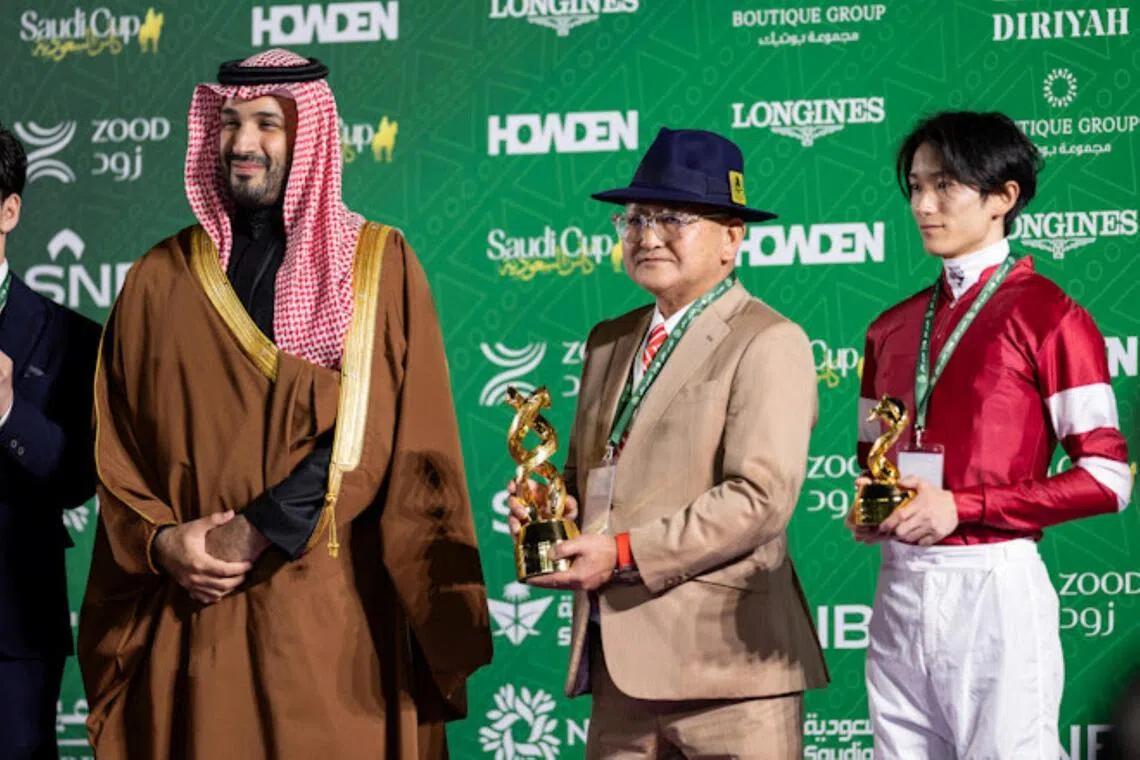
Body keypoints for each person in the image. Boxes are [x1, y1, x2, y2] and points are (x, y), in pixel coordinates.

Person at [77, 50, 491, 759]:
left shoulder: (377, 266)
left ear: (313, 138)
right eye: (231, 123)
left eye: (268, 123)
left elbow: (378, 432)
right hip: (195, 615)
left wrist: (253, 532)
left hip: (331, 620)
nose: (242, 144)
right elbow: (115, 450)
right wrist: (164, 542)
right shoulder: (155, 279)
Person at [509, 127, 828, 759]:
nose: (647, 235)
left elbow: (759, 498)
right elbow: (586, 474)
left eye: (673, 217)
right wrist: (551, 509)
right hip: (618, 670)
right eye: (634, 218)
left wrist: (619, 553)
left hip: (729, 678)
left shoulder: (769, 340)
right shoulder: (608, 340)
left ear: (732, 238)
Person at [852, 110, 1132, 759]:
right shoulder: (887, 330)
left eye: (946, 185)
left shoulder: (1051, 316)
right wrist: (875, 507)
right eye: (916, 186)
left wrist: (964, 507)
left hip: (993, 582)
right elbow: (873, 463)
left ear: (1004, 197)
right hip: (899, 585)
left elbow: (1108, 479)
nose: (924, 204)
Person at [0, 124, 101, 760]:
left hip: (11, 627)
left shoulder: (70, 336)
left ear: (9, 209)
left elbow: (78, 478)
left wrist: (9, 412)